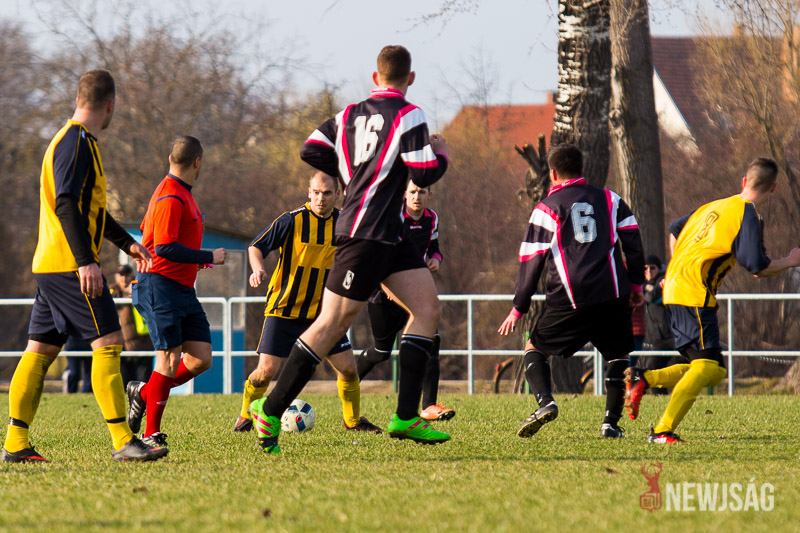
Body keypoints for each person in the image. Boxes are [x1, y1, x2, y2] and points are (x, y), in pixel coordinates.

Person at [248, 45, 450, 454]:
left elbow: (310, 147)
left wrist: (351, 169)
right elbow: (426, 171)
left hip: (391, 233)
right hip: (365, 232)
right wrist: (441, 151)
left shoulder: (348, 115)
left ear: (375, 78)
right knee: (331, 324)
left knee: (427, 308)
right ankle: (269, 410)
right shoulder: (410, 114)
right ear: (410, 79)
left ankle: (405, 416)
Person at [2, 69, 167, 463]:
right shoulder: (74, 143)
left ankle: (15, 444)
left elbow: (89, 211)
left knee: (39, 351)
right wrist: (86, 262)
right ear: (110, 105)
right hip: (68, 267)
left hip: (52, 265)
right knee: (109, 343)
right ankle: (123, 441)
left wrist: (127, 243)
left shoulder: (79, 142)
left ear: (79, 99)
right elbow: (65, 204)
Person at [625, 158, 800, 443]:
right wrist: (791, 260)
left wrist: (678, 267)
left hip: (675, 289)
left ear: (744, 181)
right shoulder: (748, 215)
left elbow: (674, 229)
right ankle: (661, 431)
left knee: (714, 370)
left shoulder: (713, 206)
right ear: (774, 188)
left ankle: (643, 378)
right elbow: (758, 268)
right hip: (693, 293)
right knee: (706, 367)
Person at [498, 143, 644, 439]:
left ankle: (545, 402)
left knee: (534, 347)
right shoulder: (611, 199)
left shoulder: (546, 208)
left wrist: (519, 307)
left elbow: (531, 261)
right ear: (582, 169)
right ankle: (610, 425)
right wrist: (636, 285)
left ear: (552, 173)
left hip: (571, 297)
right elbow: (633, 240)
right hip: (612, 292)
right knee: (618, 355)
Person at [234, 172, 381, 434]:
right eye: (316, 193)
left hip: (324, 314)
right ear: (309, 193)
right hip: (283, 309)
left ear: (337, 195)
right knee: (265, 372)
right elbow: (255, 247)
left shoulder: (345, 223)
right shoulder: (291, 220)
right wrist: (258, 269)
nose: (321, 198)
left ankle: (352, 421)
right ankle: (246, 415)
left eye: (327, 193)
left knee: (349, 369)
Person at [126, 136, 227, 448]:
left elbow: (149, 234)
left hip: (181, 289)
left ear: (171, 158)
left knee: (200, 358)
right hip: (160, 287)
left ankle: (144, 392)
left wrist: (194, 262)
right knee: (168, 358)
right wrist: (209, 256)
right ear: (197, 162)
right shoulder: (170, 195)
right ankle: (150, 434)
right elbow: (165, 247)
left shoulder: (181, 193)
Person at [356, 181, 454, 421]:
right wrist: (386, 285)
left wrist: (436, 259)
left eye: (421, 192)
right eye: (412, 192)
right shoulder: (393, 217)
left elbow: (434, 246)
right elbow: (376, 254)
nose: (417, 196)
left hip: (413, 292)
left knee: (432, 340)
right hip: (382, 294)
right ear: (404, 193)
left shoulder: (432, 218)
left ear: (429, 194)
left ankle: (429, 406)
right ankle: (348, 382)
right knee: (381, 351)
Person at [110, 264, 154, 386]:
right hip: (123, 344)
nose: (124, 278)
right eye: (121, 275)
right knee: (125, 382)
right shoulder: (113, 291)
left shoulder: (141, 287)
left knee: (142, 383)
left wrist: (134, 293)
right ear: (116, 277)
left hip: (143, 343)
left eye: (127, 275)